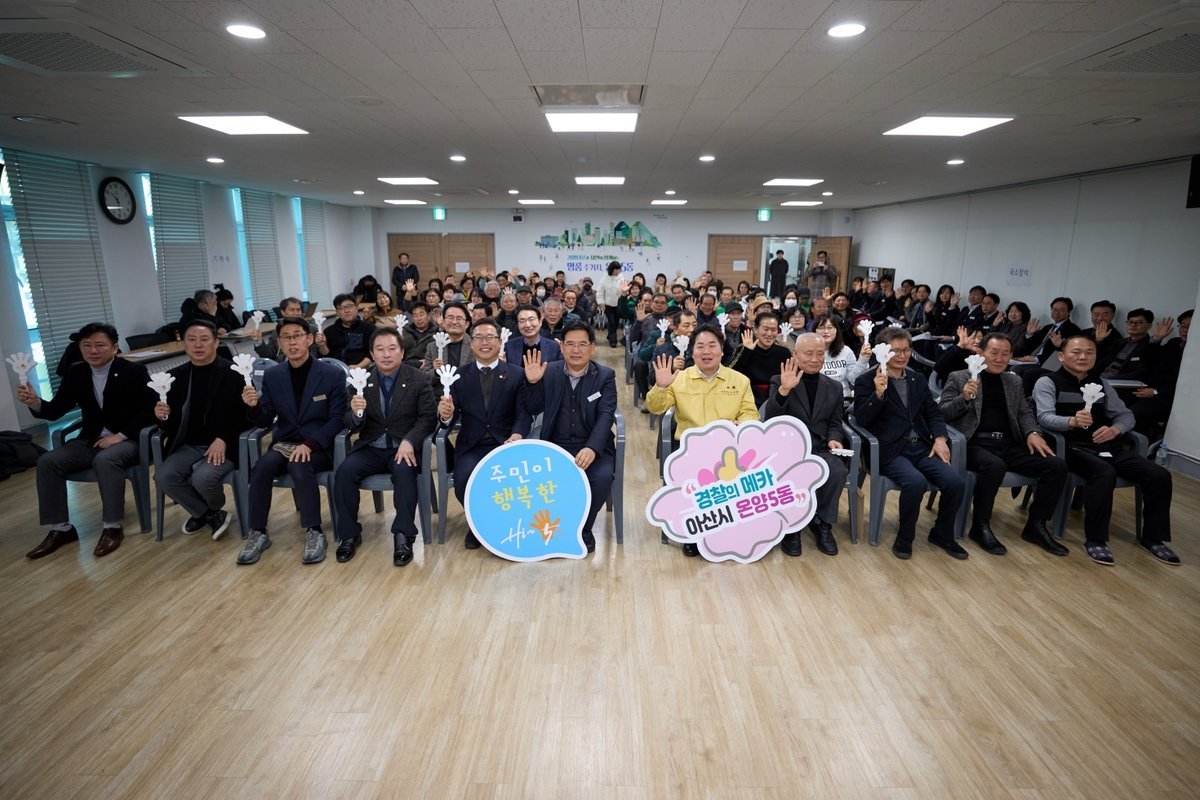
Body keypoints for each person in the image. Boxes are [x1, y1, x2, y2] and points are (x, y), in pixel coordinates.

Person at [1033, 335, 1178, 566]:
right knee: (1103, 473)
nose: (1083, 357)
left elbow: (1126, 415)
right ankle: (1096, 539)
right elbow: (1044, 417)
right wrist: (1070, 421)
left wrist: (1115, 429)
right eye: (1076, 352)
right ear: (1061, 356)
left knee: (1158, 474)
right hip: (1071, 447)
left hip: (1106, 445)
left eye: (1089, 352)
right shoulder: (1048, 382)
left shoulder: (1101, 383)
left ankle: (1153, 538)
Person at [20, 322, 157, 559]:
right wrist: (35, 402)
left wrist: (120, 436)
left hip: (129, 439)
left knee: (106, 460)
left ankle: (112, 527)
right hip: (91, 439)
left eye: (100, 345)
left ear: (114, 348)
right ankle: (61, 528)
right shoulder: (76, 373)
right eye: (87, 345)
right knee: (47, 461)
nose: (93, 350)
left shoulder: (133, 372)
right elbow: (56, 410)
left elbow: (151, 410)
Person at [939, 333, 1069, 556]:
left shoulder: (1013, 380)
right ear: (981, 352)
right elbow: (942, 413)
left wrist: (1032, 432)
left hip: (1007, 443)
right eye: (994, 353)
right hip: (973, 443)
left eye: (1005, 354)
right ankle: (980, 525)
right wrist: (964, 398)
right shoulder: (960, 377)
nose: (999, 359)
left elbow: (1023, 412)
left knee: (1056, 465)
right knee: (994, 465)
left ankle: (1036, 525)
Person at [236, 317, 348, 565]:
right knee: (262, 467)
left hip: (319, 445)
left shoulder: (331, 374)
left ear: (309, 339)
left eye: (297, 336)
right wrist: (253, 407)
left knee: (300, 464)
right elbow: (265, 419)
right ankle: (258, 531)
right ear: (279, 343)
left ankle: (314, 531)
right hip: (285, 443)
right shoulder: (273, 375)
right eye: (286, 337)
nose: (292, 342)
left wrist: (310, 444)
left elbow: (337, 419)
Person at [852, 327, 966, 560]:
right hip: (891, 450)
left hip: (921, 446)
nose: (902, 356)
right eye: (896, 351)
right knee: (915, 482)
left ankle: (942, 534)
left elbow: (933, 412)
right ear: (883, 352)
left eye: (906, 350)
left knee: (954, 482)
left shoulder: (917, 379)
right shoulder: (866, 380)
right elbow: (862, 419)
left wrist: (940, 438)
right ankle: (905, 537)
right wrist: (878, 394)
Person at [646, 324, 758, 556]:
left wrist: (741, 424)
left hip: (727, 450)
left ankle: (725, 528)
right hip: (689, 450)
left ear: (722, 351)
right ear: (692, 352)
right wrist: (661, 386)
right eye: (700, 346)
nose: (706, 351)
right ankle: (694, 532)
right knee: (694, 479)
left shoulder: (740, 380)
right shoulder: (680, 378)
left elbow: (750, 414)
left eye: (712, 346)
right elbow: (655, 407)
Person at [333, 328, 438, 566]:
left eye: (392, 349)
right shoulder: (360, 381)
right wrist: (357, 414)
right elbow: (348, 421)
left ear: (402, 352)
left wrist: (409, 441)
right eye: (380, 349)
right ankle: (349, 534)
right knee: (344, 473)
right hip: (371, 447)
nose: (386, 354)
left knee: (404, 473)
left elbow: (427, 418)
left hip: (403, 447)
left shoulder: (419, 379)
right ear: (372, 354)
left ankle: (403, 536)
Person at [436, 318, 535, 549]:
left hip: (506, 444)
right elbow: (450, 414)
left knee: (511, 483)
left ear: (500, 342)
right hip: (472, 445)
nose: (484, 342)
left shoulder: (516, 374)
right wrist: (446, 415)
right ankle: (479, 523)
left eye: (490, 337)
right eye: (478, 338)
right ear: (471, 343)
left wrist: (518, 434)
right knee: (464, 479)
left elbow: (523, 414)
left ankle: (503, 523)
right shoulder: (458, 375)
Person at [152, 319, 250, 541]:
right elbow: (169, 425)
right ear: (184, 344)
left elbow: (246, 417)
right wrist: (162, 416)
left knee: (203, 478)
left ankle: (208, 510)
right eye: (192, 340)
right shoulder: (174, 377)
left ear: (215, 342)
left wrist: (223, 438)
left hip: (226, 444)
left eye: (204, 339)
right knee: (164, 477)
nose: (198, 345)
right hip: (189, 445)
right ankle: (209, 514)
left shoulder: (234, 373)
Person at [524, 322, 617, 553]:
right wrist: (533, 383)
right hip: (555, 446)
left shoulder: (605, 375)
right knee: (543, 481)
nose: (576, 350)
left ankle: (583, 528)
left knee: (602, 477)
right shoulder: (550, 372)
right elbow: (532, 408)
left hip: (593, 446)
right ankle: (555, 525)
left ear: (592, 347)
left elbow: (606, 415)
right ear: (562, 347)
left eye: (582, 344)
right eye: (570, 344)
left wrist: (592, 448)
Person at [764, 333, 849, 556]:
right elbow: (770, 420)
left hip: (820, 448)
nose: (814, 359)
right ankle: (792, 526)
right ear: (795, 354)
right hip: (787, 451)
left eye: (819, 354)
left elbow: (835, 422)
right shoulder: (780, 380)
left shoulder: (834, 387)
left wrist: (835, 438)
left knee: (837, 470)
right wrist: (784, 390)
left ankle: (822, 522)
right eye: (808, 353)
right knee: (792, 474)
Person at [1130, 310, 1189, 436]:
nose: (1185, 330)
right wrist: (1156, 339)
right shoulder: (1175, 343)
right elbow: (1149, 361)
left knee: (1134, 412)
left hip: (1168, 397)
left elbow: (1188, 386)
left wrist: (1156, 392)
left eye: (1189, 327)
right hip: (1148, 388)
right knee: (1116, 403)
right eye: (1183, 326)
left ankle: (1142, 443)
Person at [729, 310, 792, 407]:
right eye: (765, 329)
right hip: (747, 398)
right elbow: (731, 374)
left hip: (776, 397)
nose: (769, 334)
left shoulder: (784, 352)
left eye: (773, 330)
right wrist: (746, 351)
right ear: (755, 330)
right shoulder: (743, 348)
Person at [813, 314, 869, 396]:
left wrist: (863, 359)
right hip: (818, 397)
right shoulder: (808, 352)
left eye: (830, 327)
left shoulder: (845, 351)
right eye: (821, 327)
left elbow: (854, 379)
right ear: (814, 331)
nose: (826, 331)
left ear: (836, 330)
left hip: (843, 397)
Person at [318, 293, 376, 369]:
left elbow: (372, 352)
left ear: (356, 308)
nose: (346, 310)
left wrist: (358, 367)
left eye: (349, 306)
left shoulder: (368, 328)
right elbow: (325, 355)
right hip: (336, 369)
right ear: (337, 312)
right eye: (341, 308)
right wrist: (322, 345)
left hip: (362, 369)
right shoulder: (329, 331)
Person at [1017, 297, 1081, 365]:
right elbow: (1032, 345)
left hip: (1047, 364)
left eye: (1061, 310)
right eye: (1054, 309)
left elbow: (1069, 353)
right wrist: (1029, 334)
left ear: (1069, 312)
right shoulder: (1047, 327)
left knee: (1017, 369)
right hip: (1031, 359)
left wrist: (1037, 359)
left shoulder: (1073, 329)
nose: (1056, 312)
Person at [1102, 308, 1156, 381]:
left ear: (1149, 326)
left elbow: (1140, 373)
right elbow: (1102, 361)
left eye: (1139, 322)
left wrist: (1109, 379)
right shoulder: (1119, 342)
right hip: (1102, 378)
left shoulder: (1150, 347)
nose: (1133, 325)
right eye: (1130, 322)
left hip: (1119, 382)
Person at [422, 302, 473, 373]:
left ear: (467, 324)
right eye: (450, 318)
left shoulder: (475, 346)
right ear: (443, 322)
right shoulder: (433, 347)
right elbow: (426, 375)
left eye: (459, 318)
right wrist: (436, 371)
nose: (454, 322)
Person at [1081, 300, 1124, 370]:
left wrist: (1099, 341)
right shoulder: (1084, 332)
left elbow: (1102, 361)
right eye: (1096, 315)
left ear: (1112, 316)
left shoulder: (1117, 338)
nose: (1100, 318)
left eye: (1105, 315)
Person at [401, 302, 439, 369]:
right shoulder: (405, 332)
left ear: (429, 316)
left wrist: (428, 361)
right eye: (415, 315)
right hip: (407, 366)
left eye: (421, 315)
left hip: (428, 367)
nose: (419, 319)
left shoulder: (437, 332)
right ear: (412, 318)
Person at [596, 261, 624, 348]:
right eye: (616, 270)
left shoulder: (621, 278)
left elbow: (624, 289)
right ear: (611, 269)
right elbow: (600, 291)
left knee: (616, 322)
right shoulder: (605, 278)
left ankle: (610, 335)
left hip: (618, 304)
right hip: (608, 305)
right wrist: (601, 303)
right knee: (611, 322)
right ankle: (613, 340)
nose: (617, 271)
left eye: (618, 270)